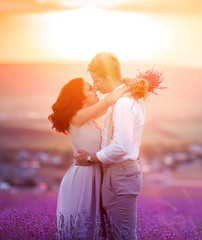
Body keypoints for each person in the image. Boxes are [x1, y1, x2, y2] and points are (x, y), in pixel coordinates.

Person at [48, 77, 131, 239]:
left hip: (92, 172)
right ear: (80, 97)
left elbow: (110, 104)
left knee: (93, 228)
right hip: (83, 177)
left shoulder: (87, 117)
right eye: (89, 89)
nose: (95, 90)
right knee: (81, 228)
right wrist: (132, 85)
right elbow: (108, 101)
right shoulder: (77, 117)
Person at [74, 52, 145, 240]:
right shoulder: (125, 100)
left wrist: (90, 158)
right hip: (119, 174)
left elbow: (120, 146)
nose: (95, 86)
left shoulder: (122, 104)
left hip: (120, 174)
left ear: (106, 77)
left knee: (122, 236)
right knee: (116, 235)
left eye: (96, 81)